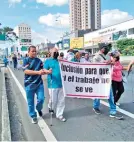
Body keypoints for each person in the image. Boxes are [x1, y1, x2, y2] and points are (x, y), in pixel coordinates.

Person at [92, 43, 123, 119]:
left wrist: (111, 62)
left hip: (107, 79)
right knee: (98, 94)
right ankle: (95, 107)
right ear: (101, 48)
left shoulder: (108, 55)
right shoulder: (96, 57)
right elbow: (94, 67)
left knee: (110, 95)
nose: (106, 49)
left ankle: (113, 111)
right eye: (105, 48)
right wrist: (105, 63)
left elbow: (114, 59)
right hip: (99, 79)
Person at [23, 45, 52, 124]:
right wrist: (38, 72)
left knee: (41, 99)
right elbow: (26, 71)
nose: (34, 52)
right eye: (32, 51)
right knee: (30, 102)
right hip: (29, 84)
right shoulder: (25, 60)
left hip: (39, 84)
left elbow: (42, 69)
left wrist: (48, 71)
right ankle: (33, 116)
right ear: (28, 52)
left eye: (35, 51)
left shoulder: (39, 60)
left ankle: (39, 109)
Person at [44, 48, 66, 122]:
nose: (56, 53)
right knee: (53, 101)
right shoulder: (48, 61)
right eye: (55, 52)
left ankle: (59, 115)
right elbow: (44, 70)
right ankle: (50, 106)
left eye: (57, 52)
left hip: (61, 84)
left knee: (61, 100)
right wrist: (48, 71)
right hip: (52, 84)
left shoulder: (60, 61)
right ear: (50, 53)